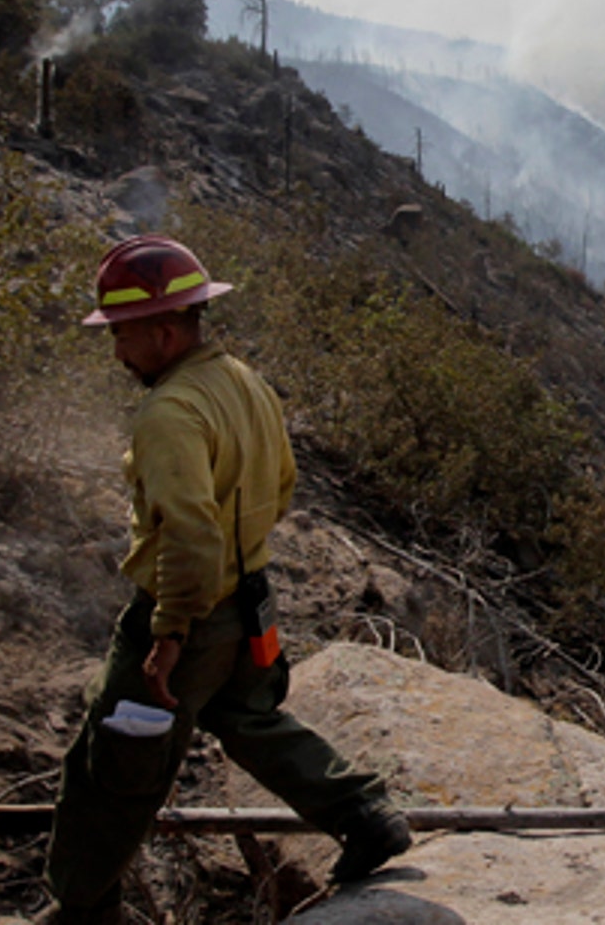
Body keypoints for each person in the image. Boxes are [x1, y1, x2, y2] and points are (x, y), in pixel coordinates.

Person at [40, 235, 410, 923]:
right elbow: (282, 485)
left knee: (114, 765)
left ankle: (81, 909)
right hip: (252, 597)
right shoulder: (244, 381)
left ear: (165, 330)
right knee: (246, 717)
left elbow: (188, 534)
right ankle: (363, 813)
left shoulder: (169, 412)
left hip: (192, 612)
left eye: (121, 335)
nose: (116, 352)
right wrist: (243, 565)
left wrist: (170, 633)